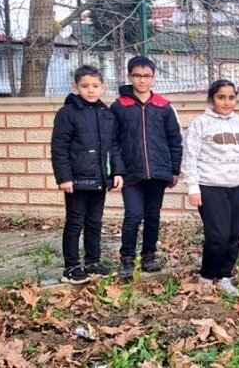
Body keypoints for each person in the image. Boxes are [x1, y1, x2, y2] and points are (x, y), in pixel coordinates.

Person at [183, 79, 239, 297]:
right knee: (218, 235)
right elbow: (190, 156)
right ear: (212, 98)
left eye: (231, 97)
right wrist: (193, 187)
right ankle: (207, 275)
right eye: (221, 97)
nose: (227, 102)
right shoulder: (200, 123)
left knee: (236, 233)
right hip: (210, 186)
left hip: (238, 185)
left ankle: (224, 275)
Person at [111, 55, 183, 281]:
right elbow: (112, 142)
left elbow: (175, 139)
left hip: (159, 172)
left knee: (153, 215)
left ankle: (149, 254)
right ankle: (127, 258)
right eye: (137, 76)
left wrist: (174, 169)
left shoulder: (163, 107)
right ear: (130, 76)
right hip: (131, 174)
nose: (142, 80)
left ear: (153, 77)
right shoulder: (119, 106)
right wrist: (117, 170)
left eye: (147, 76)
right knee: (133, 215)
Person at [51, 65, 124, 284]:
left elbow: (114, 146)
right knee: (75, 222)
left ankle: (93, 261)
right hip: (76, 180)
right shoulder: (68, 113)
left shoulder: (106, 114)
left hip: (100, 178)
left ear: (103, 87)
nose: (90, 90)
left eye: (95, 86)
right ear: (76, 87)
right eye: (85, 86)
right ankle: (71, 267)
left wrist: (117, 172)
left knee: (94, 222)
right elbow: (59, 147)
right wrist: (64, 177)